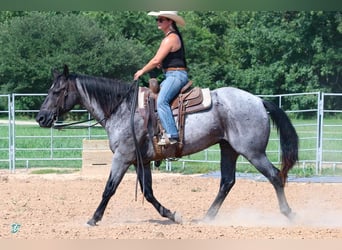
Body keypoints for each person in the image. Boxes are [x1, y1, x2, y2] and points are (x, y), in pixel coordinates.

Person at [134, 11, 188, 145]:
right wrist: (163, 64)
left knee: (161, 101)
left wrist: (142, 71)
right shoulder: (171, 38)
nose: (158, 22)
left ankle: (172, 134)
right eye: (157, 20)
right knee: (154, 98)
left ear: (170, 21)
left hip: (176, 75)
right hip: (171, 74)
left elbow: (156, 59)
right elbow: (164, 60)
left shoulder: (171, 38)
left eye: (161, 20)